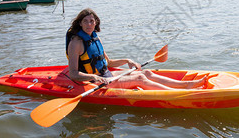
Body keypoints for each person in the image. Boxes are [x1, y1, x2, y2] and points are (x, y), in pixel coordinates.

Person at [65, 8, 206, 90]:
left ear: (96, 23)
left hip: (106, 76)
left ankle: (185, 85)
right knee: (139, 77)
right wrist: (94, 77)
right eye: (85, 21)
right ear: (80, 23)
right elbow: (73, 74)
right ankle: (177, 93)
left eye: (92, 21)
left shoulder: (95, 38)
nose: (89, 24)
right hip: (94, 83)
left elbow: (108, 63)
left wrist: (128, 60)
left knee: (147, 73)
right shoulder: (76, 43)